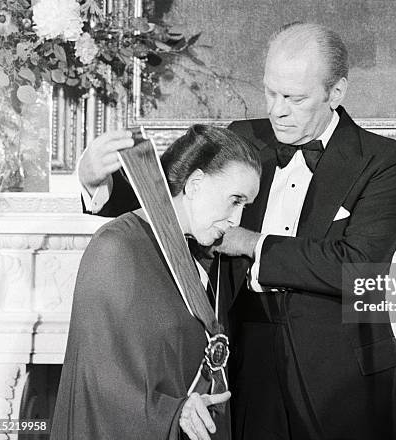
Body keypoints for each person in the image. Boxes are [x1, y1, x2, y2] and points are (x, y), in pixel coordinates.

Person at [78, 23, 396, 440]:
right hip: (243, 359)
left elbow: (360, 266)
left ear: (336, 93)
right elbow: (167, 197)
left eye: (294, 98)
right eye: (271, 93)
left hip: (343, 373)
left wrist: (250, 243)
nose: (277, 110)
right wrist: (95, 179)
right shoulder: (240, 137)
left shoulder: (385, 160)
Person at [52, 125, 261, 440]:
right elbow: (100, 383)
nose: (237, 220)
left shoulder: (205, 255)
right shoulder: (116, 247)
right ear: (195, 183)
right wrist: (174, 413)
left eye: (245, 206)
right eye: (235, 201)